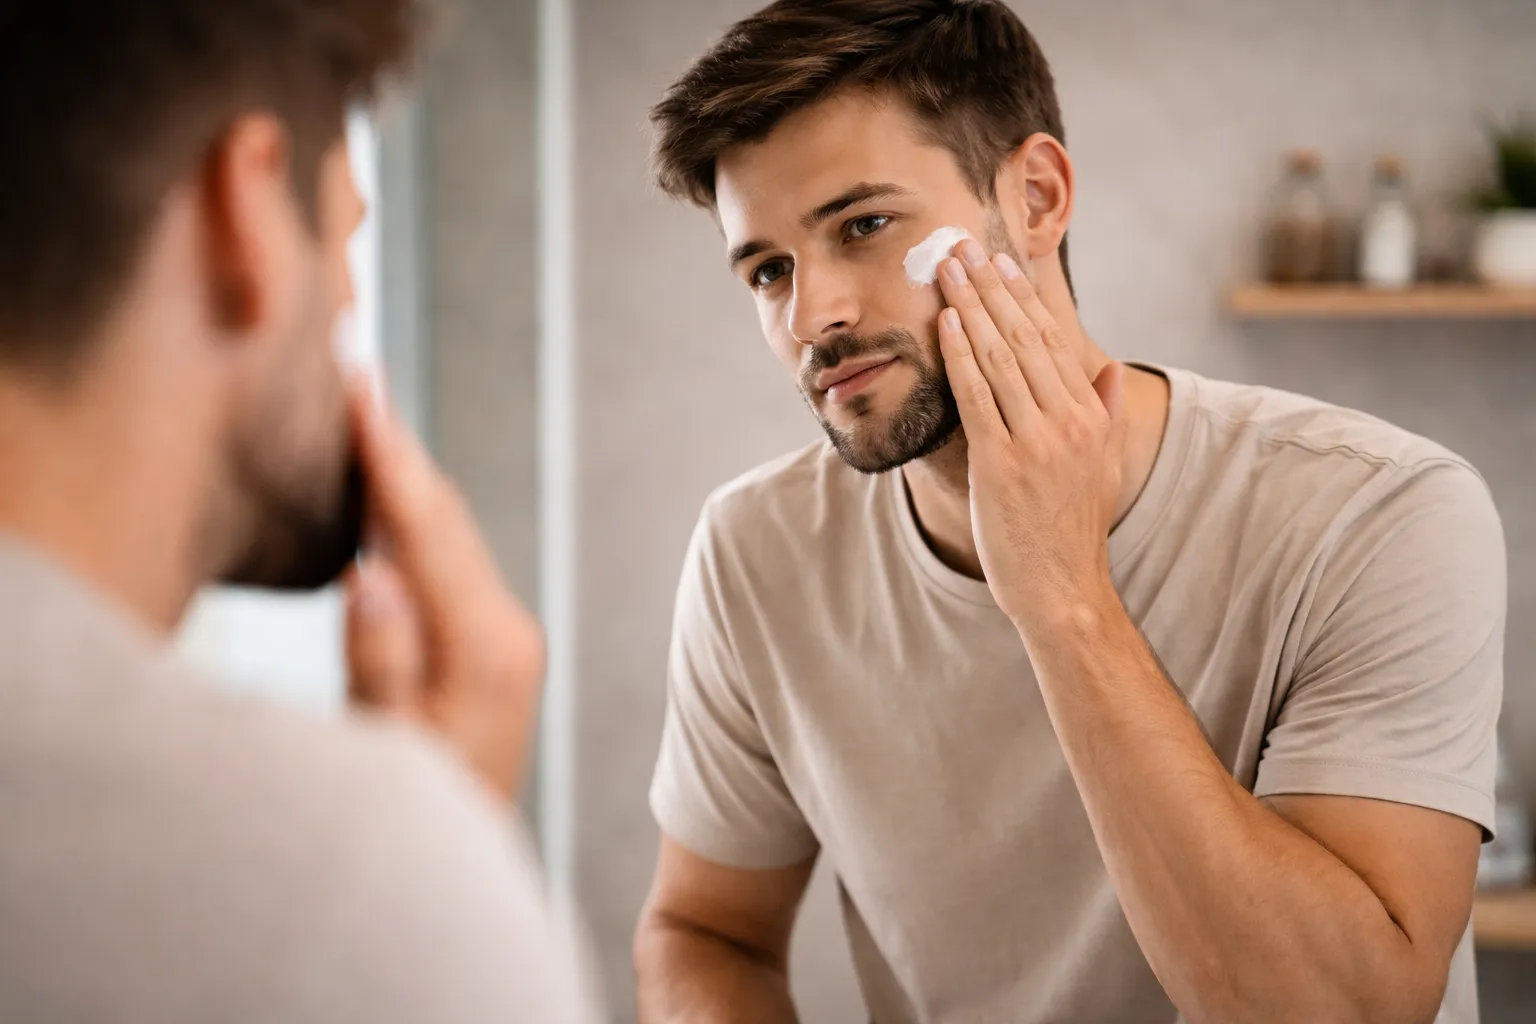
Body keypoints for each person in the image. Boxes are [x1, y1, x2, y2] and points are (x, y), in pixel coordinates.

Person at [633, 2, 1506, 1022]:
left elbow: (1346, 1010)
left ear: (1038, 199)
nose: (812, 315)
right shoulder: (755, 551)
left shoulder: (1378, 513)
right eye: (769, 268)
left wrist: (1064, 599)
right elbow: (704, 930)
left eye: (864, 226)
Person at [0, 2, 599, 1021]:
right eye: (345, 238)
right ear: (248, 212)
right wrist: (419, 868)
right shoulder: (347, 883)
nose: (347, 322)